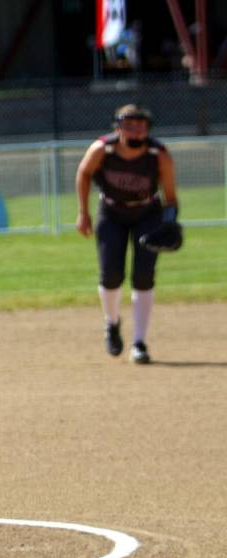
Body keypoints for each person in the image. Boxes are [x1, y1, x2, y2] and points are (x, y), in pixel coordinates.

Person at [75, 104, 179, 365]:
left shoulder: (158, 154)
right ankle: (112, 323)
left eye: (141, 127)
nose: (136, 132)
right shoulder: (103, 149)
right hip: (111, 212)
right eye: (129, 126)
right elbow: (84, 173)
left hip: (147, 213)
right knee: (111, 274)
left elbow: (170, 197)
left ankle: (139, 343)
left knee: (144, 276)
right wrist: (83, 212)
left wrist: (170, 222)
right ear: (118, 127)